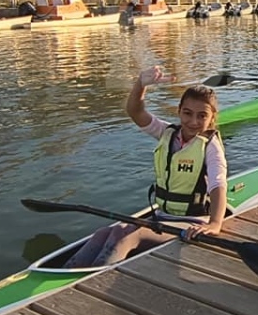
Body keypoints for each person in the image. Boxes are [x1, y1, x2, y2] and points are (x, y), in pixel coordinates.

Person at [63, 66, 227, 268]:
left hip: (192, 224)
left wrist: (215, 224)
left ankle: (90, 280)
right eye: (187, 113)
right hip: (162, 217)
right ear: (179, 111)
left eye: (202, 116)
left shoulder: (211, 147)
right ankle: (67, 272)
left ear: (212, 118)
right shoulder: (167, 133)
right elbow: (135, 111)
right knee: (103, 233)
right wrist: (141, 84)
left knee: (126, 236)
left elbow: (218, 185)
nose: (193, 121)